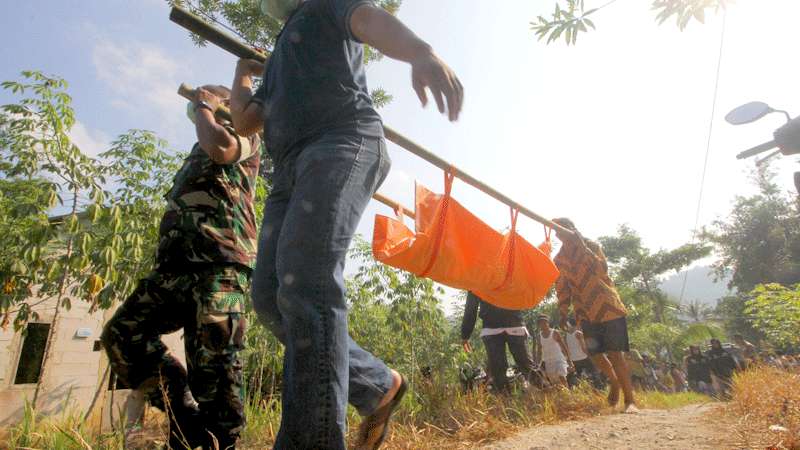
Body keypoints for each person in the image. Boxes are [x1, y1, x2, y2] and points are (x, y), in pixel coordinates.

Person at [229, 1, 464, 448]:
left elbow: (369, 19)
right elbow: (245, 121)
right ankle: (377, 385)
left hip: (342, 140)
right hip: (290, 169)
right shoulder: (277, 58)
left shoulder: (322, 5)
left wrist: (419, 51)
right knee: (270, 296)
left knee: (307, 280)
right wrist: (244, 73)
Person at [102, 85, 261, 449]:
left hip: (218, 264)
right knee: (122, 335)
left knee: (217, 375)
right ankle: (182, 412)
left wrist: (206, 104)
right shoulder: (197, 148)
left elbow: (219, 146)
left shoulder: (246, 135)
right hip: (174, 269)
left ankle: (217, 441)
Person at [551, 218, 637, 411]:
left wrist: (583, 248)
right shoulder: (560, 259)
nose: (559, 235)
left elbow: (601, 270)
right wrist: (563, 311)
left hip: (608, 307)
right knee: (595, 354)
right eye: (557, 232)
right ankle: (614, 381)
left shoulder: (592, 246)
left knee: (616, 354)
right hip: (584, 311)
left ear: (572, 229)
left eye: (562, 230)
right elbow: (562, 287)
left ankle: (630, 401)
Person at [460, 292, 538, 393]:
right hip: (511, 323)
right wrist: (465, 334)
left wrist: (465, 335)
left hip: (495, 327)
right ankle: (546, 392)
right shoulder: (509, 275)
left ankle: (505, 399)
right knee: (526, 365)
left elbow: (470, 309)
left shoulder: (477, 278)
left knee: (499, 370)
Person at [534, 315, 573, 388]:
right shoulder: (539, 336)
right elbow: (539, 351)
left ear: (547, 322)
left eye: (544, 322)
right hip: (548, 362)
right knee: (555, 383)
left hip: (559, 359)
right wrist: (538, 363)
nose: (543, 324)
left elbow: (563, 347)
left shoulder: (555, 332)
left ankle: (569, 394)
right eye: (541, 323)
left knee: (562, 376)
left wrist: (569, 360)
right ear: (539, 325)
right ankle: (563, 396)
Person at [564, 318, 600, 388]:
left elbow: (567, 349)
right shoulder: (578, 333)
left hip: (574, 359)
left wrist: (569, 360)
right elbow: (583, 348)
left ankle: (578, 390)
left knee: (578, 377)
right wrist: (590, 356)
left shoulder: (566, 335)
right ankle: (598, 388)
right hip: (583, 357)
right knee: (594, 373)